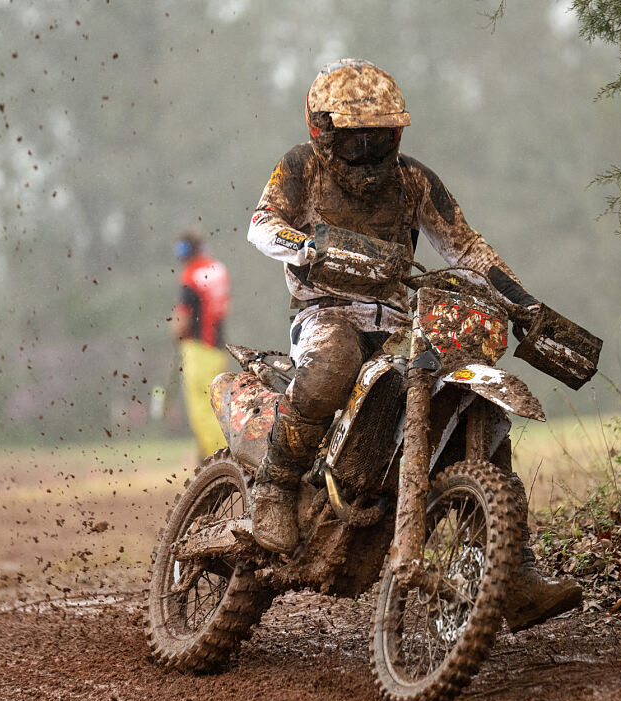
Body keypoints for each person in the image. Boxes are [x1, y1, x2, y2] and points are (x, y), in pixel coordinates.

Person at [245, 58, 580, 628]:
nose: (370, 153)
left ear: (398, 134)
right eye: (355, 142)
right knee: (333, 364)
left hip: (401, 318)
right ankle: (274, 488)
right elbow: (261, 223)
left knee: (473, 411)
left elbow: (467, 248)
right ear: (321, 133)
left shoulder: (414, 180)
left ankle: (510, 570)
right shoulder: (301, 167)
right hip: (325, 311)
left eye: (381, 139)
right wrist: (306, 249)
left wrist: (523, 303)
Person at [171, 231, 230, 459]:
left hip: (197, 351)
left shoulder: (190, 277)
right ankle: (209, 457)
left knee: (202, 412)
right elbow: (226, 307)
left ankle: (218, 461)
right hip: (217, 349)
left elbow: (182, 322)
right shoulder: (218, 270)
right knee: (218, 406)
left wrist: (175, 331)